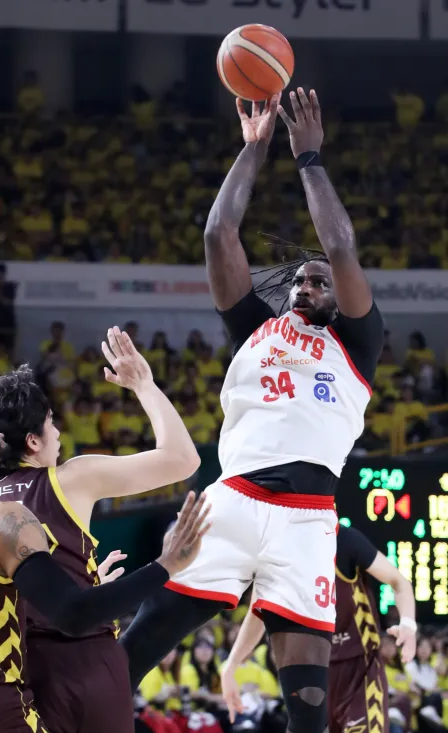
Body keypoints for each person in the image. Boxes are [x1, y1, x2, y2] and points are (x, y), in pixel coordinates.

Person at [121, 88, 385, 733]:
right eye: (298, 281)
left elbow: (341, 249)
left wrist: (309, 158)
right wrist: (255, 148)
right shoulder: (255, 330)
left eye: (317, 282)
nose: (305, 286)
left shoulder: (357, 341)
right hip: (233, 502)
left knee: (309, 714)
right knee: (127, 658)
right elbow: (220, 233)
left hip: (308, 523)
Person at [0, 326, 201, 733]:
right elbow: (183, 459)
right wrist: (144, 385)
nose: (59, 433)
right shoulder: (71, 478)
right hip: (85, 664)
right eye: (51, 423)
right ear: (33, 442)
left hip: (18, 673)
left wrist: (83, 577)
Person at [220, 525, 416, 733]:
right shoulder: (276, 550)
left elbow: (399, 581)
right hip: (311, 673)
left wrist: (408, 625)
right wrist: (231, 665)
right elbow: (257, 613)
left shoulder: (343, 539)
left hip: (359, 669)